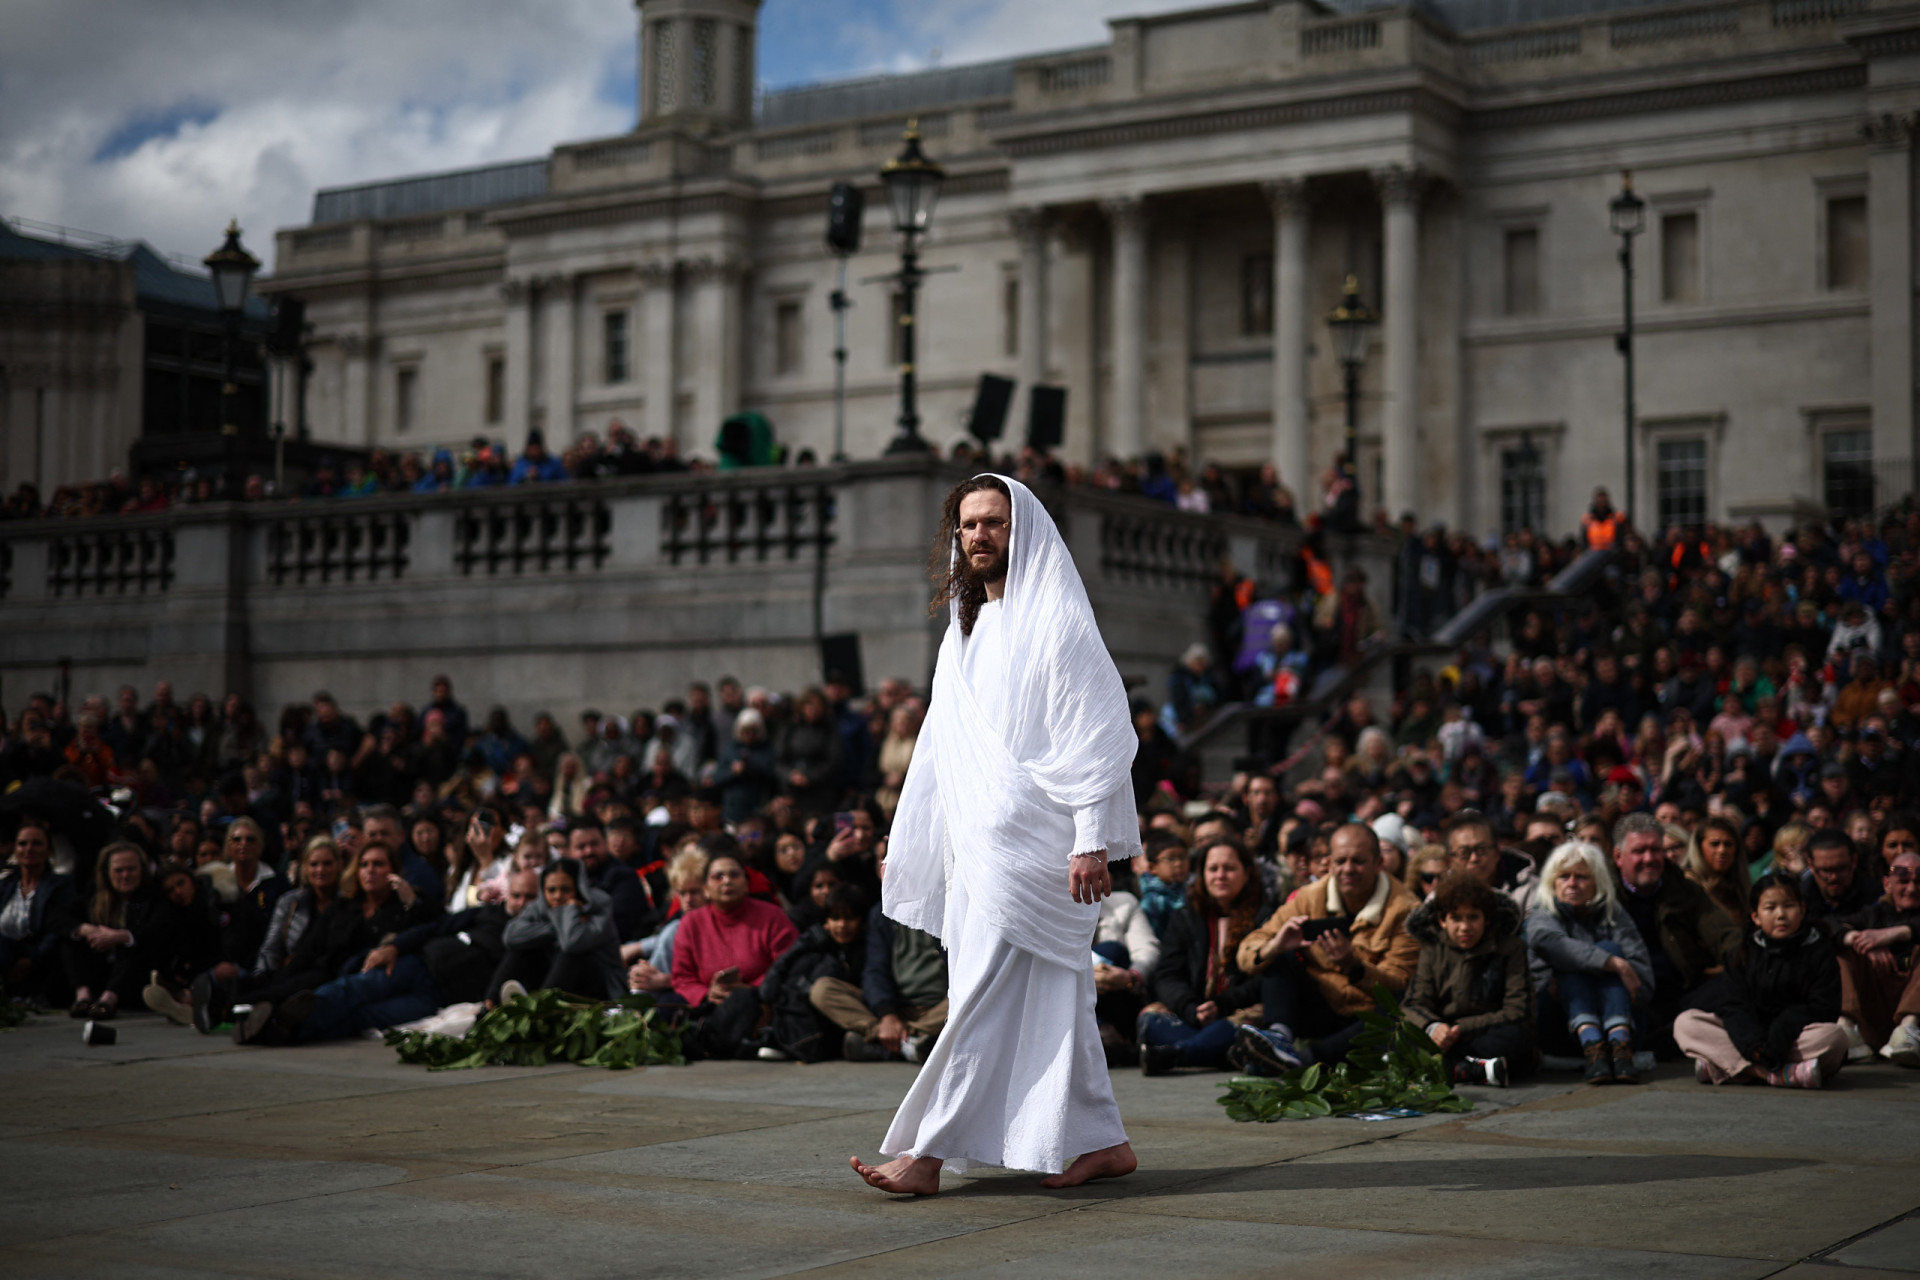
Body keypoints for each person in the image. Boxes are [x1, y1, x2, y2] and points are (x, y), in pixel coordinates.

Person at [854, 474, 1139, 1196]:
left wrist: (1090, 839)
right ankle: (1104, 1141)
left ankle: (925, 1156)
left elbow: (1099, 736)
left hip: (1043, 851)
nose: (979, 535)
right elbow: (938, 751)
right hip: (978, 851)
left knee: (980, 995)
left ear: (1024, 531)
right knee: (1053, 996)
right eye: (968, 525)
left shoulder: (1058, 621)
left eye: (993, 523)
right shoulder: (965, 631)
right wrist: (914, 838)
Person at [1233, 822, 1421, 1073]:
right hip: (1318, 1009)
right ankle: (1278, 1039)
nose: (1348, 869)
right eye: (1340, 861)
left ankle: (1304, 1061)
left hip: (1365, 1018)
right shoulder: (1309, 897)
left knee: (1403, 1006)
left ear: (1379, 864)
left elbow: (1399, 982)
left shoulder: (1406, 909)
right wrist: (1276, 945)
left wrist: (1354, 968)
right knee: (1278, 955)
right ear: (1330, 864)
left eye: (1358, 861)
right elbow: (1248, 950)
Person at [1674, 873, 1848, 1088]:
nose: (1781, 915)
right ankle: (1770, 1074)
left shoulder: (1819, 951)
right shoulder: (1744, 952)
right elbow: (1733, 1005)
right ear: (1755, 916)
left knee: (1835, 1038)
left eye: (1789, 906)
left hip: (1794, 1038)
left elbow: (1823, 1008)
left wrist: (1781, 1033)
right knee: (1686, 1023)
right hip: (1750, 1040)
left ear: (1802, 910)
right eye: (1770, 908)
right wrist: (1753, 1045)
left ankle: (1729, 1068)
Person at [1137, 837, 1274, 1073]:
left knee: (1254, 1022)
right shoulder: (1186, 917)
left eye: (1229, 868)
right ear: (1202, 875)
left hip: (1236, 1011)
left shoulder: (1266, 917)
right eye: (1213, 869)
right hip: (1194, 1014)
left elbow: (1266, 979)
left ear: (1247, 873)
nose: (1220, 875)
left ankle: (1181, 1053)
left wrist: (1221, 1005)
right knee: (1151, 1017)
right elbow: (1167, 975)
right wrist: (1191, 1008)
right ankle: (1215, 1050)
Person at [1526, 840, 1654, 1085]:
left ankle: (1619, 1045)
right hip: (1558, 1023)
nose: (1572, 884)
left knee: (1608, 947)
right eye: (1564, 877)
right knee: (1573, 962)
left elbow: (1644, 984)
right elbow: (1553, 944)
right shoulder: (1543, 913)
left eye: (1581, 877)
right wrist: (1615, 964)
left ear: (1597, 882)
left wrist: (1613, 971)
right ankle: (1592, 1044)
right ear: (1552, 881)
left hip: (1624, 1018)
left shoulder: (1613, 913)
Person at [1611, 812, 1740, 1050]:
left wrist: (1744, 958)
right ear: (1618, 856)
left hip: (1680, 992)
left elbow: (1723, 934)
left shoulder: (1684, 890)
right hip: (1628, 994)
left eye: (1656, 850)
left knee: (1734, 983)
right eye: (1639, 851)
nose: (1649, 858)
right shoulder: (1605, 895)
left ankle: (1665, 1038)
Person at [1402, 871, 1536, 1086]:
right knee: (1400, 1032)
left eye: (1473, 917)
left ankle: (1454, 1069)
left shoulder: (1510, 948)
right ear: (1442, 920)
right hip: (1443, 1035)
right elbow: (1414, 1003)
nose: (1465, 927)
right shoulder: (1432, 948)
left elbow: (1517, 1010)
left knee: (1515, 1039)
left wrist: (1460, 1028)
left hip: (1485, 1033)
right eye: (1456, 918)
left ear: (1487, 918)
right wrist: (1433, 1027)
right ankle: (1471, 1070)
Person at [671, 851, 798, 1059]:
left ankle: (710, 1044)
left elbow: (789, 965)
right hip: (712, 1006)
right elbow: (682, 978)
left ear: (747, 884)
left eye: (734, 875)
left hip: (763, 1003)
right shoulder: (691, 923)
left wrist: (752, 989)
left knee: (742, 999)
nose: (727, 881)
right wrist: (706, 993)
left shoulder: (772, 917)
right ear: (705, 889)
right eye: (718, 876)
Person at [759, 884, 872, 1062]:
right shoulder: (815, 942)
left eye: (849, 918)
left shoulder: (869, 945)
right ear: (827, 922)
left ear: (861, 921)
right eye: (835, 918)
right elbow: (780, 969)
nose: (842, 925)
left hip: (860, 1005)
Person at [1831, 844, 1920, 1065]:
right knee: (1843, 951)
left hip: (1912, 1017)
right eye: (1903, 881)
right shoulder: (1872, 915)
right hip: (1874, 1009)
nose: (1911, 889)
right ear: (1887, 884)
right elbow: (1825, 926)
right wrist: (1857, 939)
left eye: (1918, 882)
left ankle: (1908, 1029)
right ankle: (1846, 1028)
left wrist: (1898, 933)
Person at [62, 842, 173, 1019]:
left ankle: (109, 1000)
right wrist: (86, 929)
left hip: (134, 978)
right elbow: (59, 918)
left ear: (142, 870)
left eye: (131, 869)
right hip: (99, 968)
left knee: (134, 945)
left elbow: (158, 931)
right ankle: (83, 997)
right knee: (72, 938)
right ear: (107, 872)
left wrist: (120, 936)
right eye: (118, 870)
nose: (125, 875)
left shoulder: (154, 896)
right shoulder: (93, 896)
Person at [493, 858, 625, 1001]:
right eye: (551, 890)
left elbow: (572, 943)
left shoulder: (598, 906)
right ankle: (489, 1004)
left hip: (599, 984)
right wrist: (555, 927)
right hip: (557, 980)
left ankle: (542, 1009)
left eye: (566, 890)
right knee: (520, 949)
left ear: (579, 888)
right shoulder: (539, 906)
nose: (557, 896)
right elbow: (511, 936)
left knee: (571, 954)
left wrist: (570, 909)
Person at [0, 818, 77, 1006]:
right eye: (22, 844)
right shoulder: (5, 885)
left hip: (41, 959)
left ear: (49, 850)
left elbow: (58, 928)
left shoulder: (61, 885)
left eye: (36, 844)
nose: (28, 849)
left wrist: (30, 959)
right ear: (15, 849)